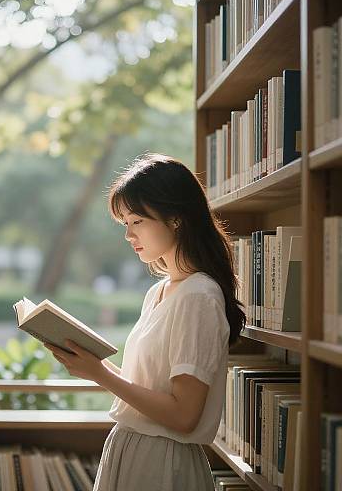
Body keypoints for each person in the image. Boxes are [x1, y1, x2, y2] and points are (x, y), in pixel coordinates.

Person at [43, 153, 246, 490]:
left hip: (162, 463)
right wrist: (93, 367)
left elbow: (183, 415)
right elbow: (151, 391)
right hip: (131, 451)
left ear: (175, 218)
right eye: (124, 223)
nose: (128, 235)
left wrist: (101, 374)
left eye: (136, 221)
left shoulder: (199, 296)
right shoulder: (159, 292)